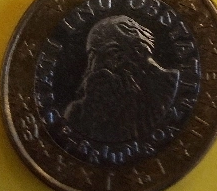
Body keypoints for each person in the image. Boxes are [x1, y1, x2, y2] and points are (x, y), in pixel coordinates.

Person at [64, 15, 179, 143]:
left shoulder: (175, 88)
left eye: (96, 57)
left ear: (138, 51)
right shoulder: (82, 110)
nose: (92, 69)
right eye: (91, 59)